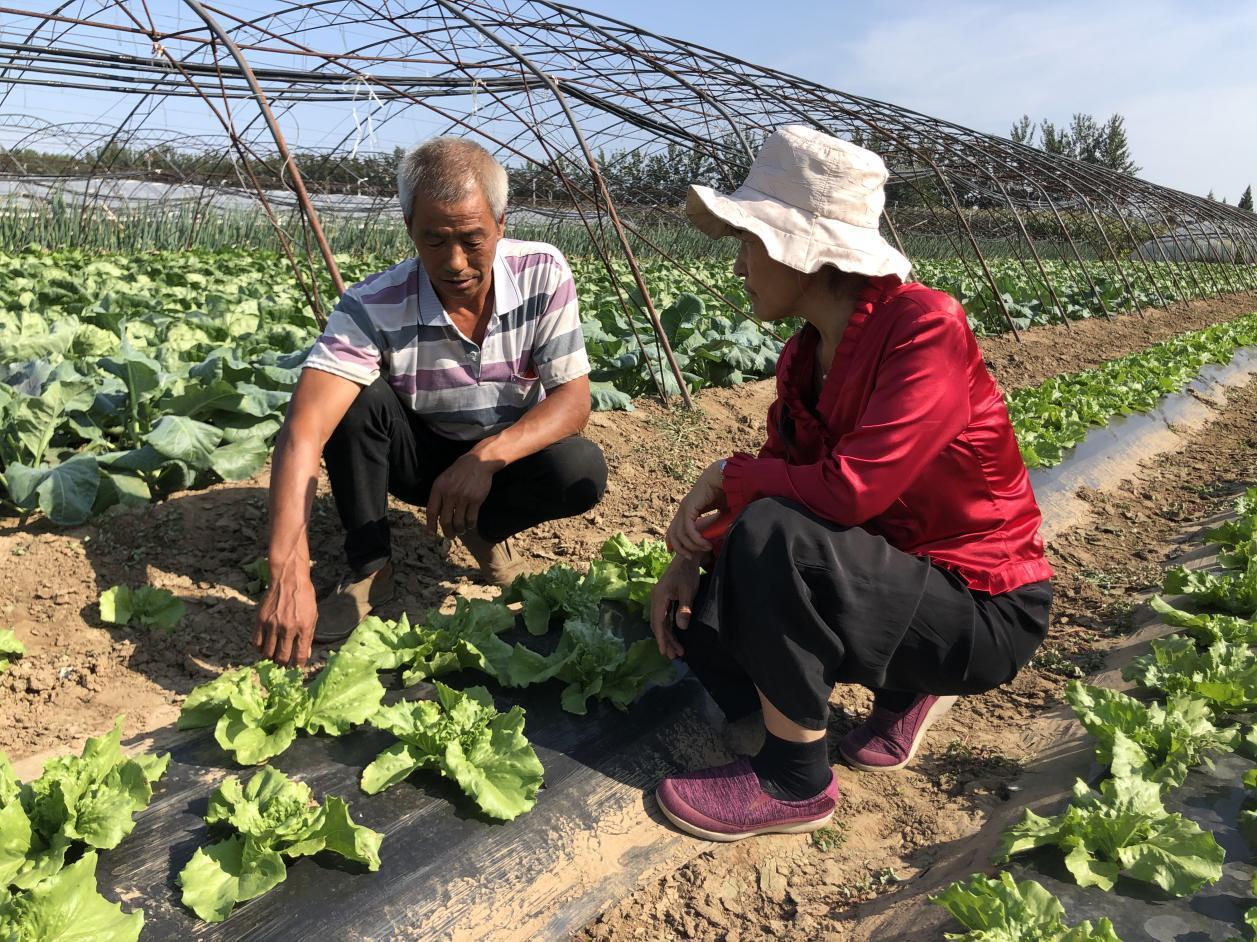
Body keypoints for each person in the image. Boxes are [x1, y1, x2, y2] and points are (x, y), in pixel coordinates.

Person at [649, 126, 1053, 842]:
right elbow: (780, 479)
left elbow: (847, 493)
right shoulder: (801, 357)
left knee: (772, 536)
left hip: (981, 604)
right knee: (704, 626)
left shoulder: (924, 326)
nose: (739, 263)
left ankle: (793, 779)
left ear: (800, 249)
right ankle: (892, 682)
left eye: (749, 240)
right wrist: (687, 560)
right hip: (891, 574)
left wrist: (719, 475)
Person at [254, 137, 607, 666]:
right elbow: (303, 431)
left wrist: (484, 459)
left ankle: (485, 528)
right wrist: (287, 569)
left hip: (499, 457)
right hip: (414, 456)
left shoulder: (543, 271)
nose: (456, 261)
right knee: (352, 400)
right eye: (434, 241)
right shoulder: (372, 303)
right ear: (409, 228)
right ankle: (373, 574)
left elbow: (573, 401)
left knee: (580, 468)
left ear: (501, 222)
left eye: (472, 238)